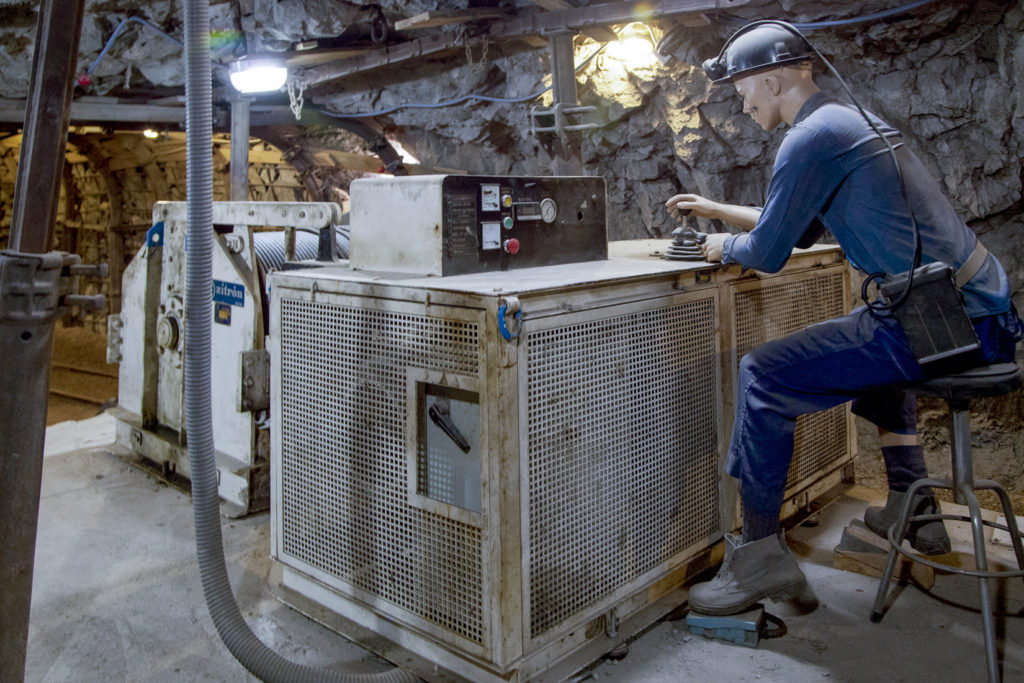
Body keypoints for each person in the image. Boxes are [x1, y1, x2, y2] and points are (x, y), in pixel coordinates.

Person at [664, 21, 1023, 616]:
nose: (741, 103)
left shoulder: (809, 138)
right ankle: (916, 503)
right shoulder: (842, 123)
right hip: (977, 315)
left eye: (742, 90)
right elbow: (796, 224)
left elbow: (769, 252)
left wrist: (718, 247)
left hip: (941, 326)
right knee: (871, 336)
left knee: (763, 375)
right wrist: (713, 209)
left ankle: (759, 561)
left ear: (774, 79)